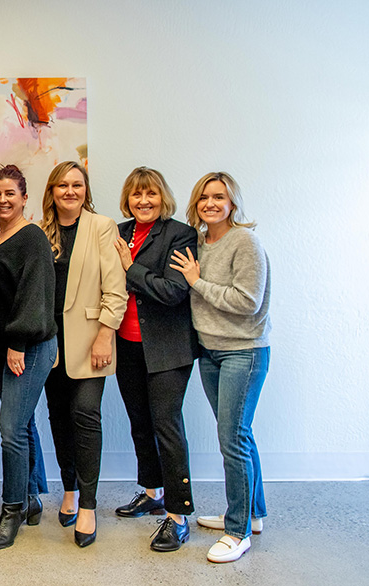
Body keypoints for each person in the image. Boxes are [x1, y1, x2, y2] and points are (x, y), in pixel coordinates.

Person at [171, 171, 271, 564]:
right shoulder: (198, 242)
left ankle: (237, 531)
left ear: (232, 203)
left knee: (233, 440)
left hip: (243, 353)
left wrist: (196, 282)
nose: (210, 204)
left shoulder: (244, 241)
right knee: (238, 435)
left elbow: (248, 301)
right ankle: (254, 514)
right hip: (210, 352)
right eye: (203, 198)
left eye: (219, 197)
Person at [39, 161, 127, 548]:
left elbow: (116, 288)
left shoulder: (101, 227)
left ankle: (88, 505)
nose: (69, 191)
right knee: (58, 417)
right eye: (62, 185)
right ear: (52, 191)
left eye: (76, 185)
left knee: (85, 415)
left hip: (93, 340)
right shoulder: (39, 231)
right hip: (48, 343)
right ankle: (69, 488)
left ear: (85, 190)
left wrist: (106, 335)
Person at [111, 167, 200, 552]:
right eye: (135, 195)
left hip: (167, 348)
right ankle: (152, 492)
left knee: (166, 426)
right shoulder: (118, 232)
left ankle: (178, 517)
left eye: (150, 194)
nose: (143, 201)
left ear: (162, 197)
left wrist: (131, 269)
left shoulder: (180, 235)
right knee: (140, 423)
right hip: (126, 344)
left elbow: (172, 291)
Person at [0, 165, 57, 551]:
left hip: (27, 346)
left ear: (24, 197)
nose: (2, 200)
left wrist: (18, 343)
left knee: (10, 429)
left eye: (10, 193)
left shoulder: (32, 239)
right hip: (2, 348)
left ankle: (11, 509)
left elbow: (35, 295)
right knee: (23, 423)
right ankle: (30, 497)